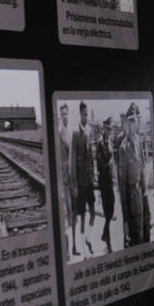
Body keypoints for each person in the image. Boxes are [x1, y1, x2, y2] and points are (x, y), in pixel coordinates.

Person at [116, 103, 149, 248]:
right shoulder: (124, 148)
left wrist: (147, 204)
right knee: (137, 241)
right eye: (132, 122)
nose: (134, 125)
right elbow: (122, 187)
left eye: (136, 121)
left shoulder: (139, 143)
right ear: (128, 124)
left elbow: (142, 175)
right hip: (132, 201)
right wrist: (125, 221)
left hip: (141, 198)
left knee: (146, 238)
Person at [72, 102, 97, 255]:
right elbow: (72, 161)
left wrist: (93, 177)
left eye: (87, 114)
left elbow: (91, 158)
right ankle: (83, 248)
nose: (86, 117)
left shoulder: (89, 131)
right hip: (80, 183)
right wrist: (74, 184)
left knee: (93, 213)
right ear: (80, 114)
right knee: (81, 217)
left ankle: (88, 238)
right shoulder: (75, 133)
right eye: (84, 114)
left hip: (89, 181)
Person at [57, 104, 75, 261]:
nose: (65, 116)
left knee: (73, 213)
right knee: (66, 214)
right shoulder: (59, 133)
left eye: (66, 114)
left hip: (72, 178)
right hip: (63, 180)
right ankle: (67, 251)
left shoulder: (71, 132)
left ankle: (73, 246)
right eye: (62, 114)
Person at [95, 117, 116, 253]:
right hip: (103, 181)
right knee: (108, 210)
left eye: (110, 129)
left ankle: (104, 234)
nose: (109, 131)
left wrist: (112, 173)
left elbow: (112, 159)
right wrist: (107, 165)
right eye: (108, 129)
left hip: (110, 180)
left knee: (112, 207)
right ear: (104, 129)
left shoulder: (109, 142)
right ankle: (108, 243)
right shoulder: (100, 143)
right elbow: (99, 162)